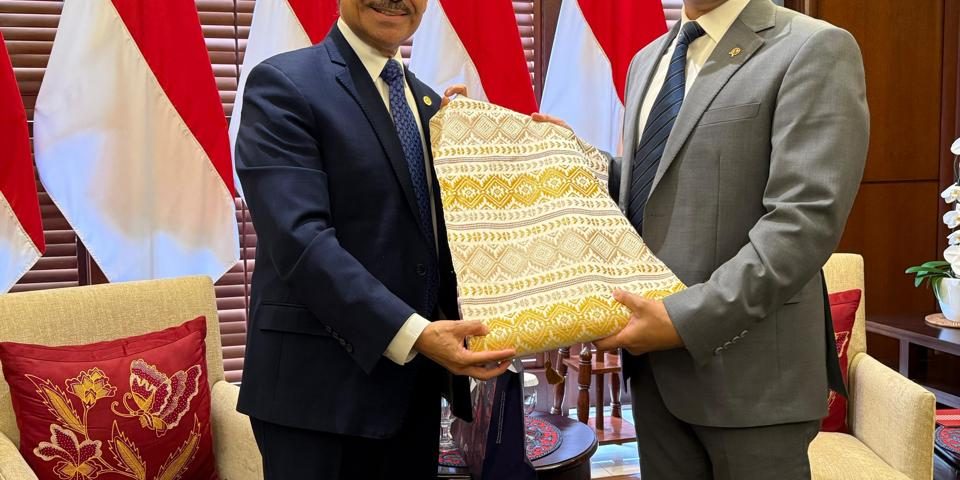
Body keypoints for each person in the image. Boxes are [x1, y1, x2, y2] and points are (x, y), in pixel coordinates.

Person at [544, 0, 868, 478]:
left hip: (753, 381)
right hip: (654, 376)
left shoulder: (813, 47)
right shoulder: (647, 60)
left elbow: (802, 222)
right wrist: (573, 161)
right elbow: (651, 188)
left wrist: (682, 320)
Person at [233, 1, 516, 478]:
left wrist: (518, 152)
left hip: (413, 393)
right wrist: (416, 334)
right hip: (318, 400)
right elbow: (300, 241)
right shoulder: (283, 85)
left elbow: (446, 235)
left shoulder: (430, 105)